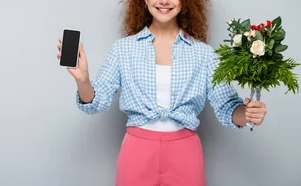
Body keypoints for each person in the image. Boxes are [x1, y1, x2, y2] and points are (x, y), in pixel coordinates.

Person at [56, 0, 268, 185]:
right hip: (137, 152)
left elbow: (228, 107)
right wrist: (83, 80)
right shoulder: (123, 49)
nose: (164, 1)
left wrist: (247, 114)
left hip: (186, 153)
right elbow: (96, 102)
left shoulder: (204, 54)